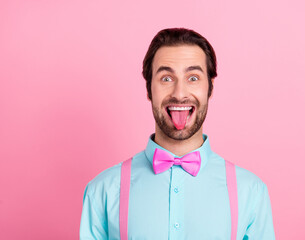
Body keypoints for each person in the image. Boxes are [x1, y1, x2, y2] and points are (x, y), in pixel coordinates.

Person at [80, 28, 275, 240]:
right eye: (166, 78)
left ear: (209, 88)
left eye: (193, 78)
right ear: (149, 89)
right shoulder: (102, 192)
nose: (179, 93)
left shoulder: (251, 192)